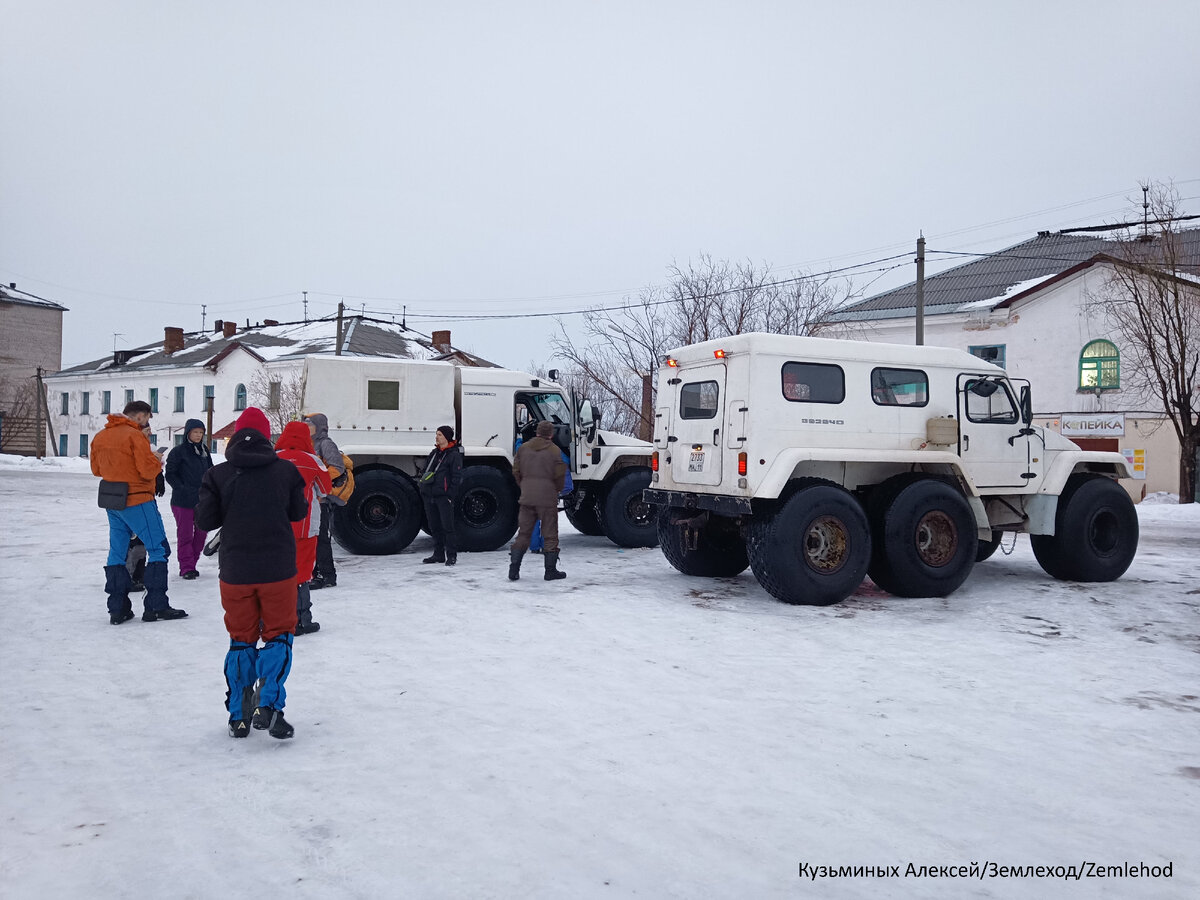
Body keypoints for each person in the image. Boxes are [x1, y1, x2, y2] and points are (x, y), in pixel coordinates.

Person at [195, 407, 307, 740]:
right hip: (278, 570)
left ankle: (239, 716)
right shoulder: (285, 471)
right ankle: (268, 705)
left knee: (241, 638)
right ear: (266, 436)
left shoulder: (217, 475)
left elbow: (205, 521)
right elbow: (298, 512)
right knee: (278, 635)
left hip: (236, 572)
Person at [90, 400, 187, 624]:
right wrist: (156, 461)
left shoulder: (101, 436)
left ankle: (118, 609)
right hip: (138, 499)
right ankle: (156, 606)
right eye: (148, 418)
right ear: (142, 416)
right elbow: (146, 471)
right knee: (158, 548)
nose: (147, 422)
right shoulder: (135, 436)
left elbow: (96, 470)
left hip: (113, 501)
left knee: (117, 552)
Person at [274, 421, 332, 635]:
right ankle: (302, 620)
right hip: (306, 525)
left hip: (276, 526)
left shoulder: (272, 459)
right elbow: (325, 489)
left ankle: (277, 619)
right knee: (302, 571)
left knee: (277, 571)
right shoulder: (313, 460)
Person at [508, 420, 567, 582]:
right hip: (547, 499)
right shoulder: (555, 451)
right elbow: (560, 475)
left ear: (537, 432)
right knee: (549, 534)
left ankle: (514, 569)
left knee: (524, 533)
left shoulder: (523, 448)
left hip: (527, 497)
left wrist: (524, 486)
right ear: (551, 434)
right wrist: (556, 490)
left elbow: (516, 471)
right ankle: (550, 571)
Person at [165, 418, 213, 579]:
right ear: (188, 433)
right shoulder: (178, 452)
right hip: (183, 501)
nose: (198, 435)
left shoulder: (204, 451)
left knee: (201, 533)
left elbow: (210, 472)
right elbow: (170, 473)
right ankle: (186, 567)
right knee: (185, 535)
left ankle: (192, 561)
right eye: (195, 432)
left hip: (202, 500)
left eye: (201, 432)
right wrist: (181, 488)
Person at [303, 412, 345, 589]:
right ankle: (316, 572)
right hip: (312, 498)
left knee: (321, 538)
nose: (307, 427)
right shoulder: (310, 443)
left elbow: (337, 467)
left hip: (322, 499)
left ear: (319, 427)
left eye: (310, 424)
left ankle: (327, 575)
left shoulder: (325, 444)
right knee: (313, 537)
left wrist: (318, 481)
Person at [418, 425, 463, 566]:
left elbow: (457, 477)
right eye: (437, 434)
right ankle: (438, 554)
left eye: (440, 435)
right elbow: (426, 470)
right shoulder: (434, 453)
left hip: (443, 497)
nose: (437, 437)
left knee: (447, 527)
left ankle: (451, 555)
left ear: (447, 437)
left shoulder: (454, 455)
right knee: (434, 527)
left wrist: (450, 495)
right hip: (430, 495)